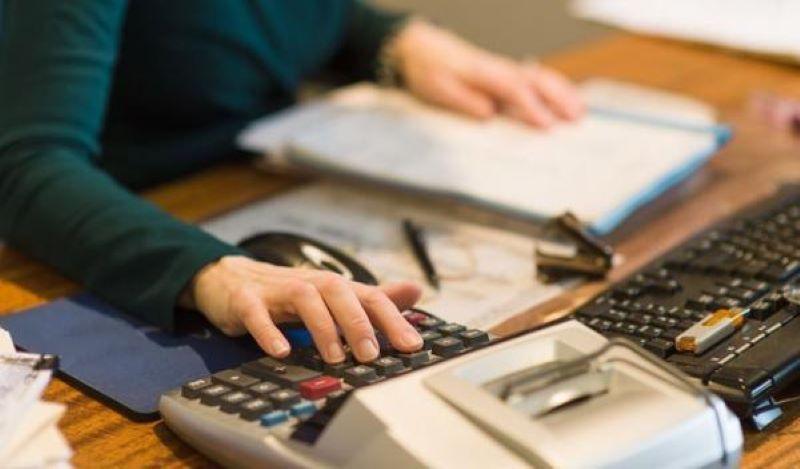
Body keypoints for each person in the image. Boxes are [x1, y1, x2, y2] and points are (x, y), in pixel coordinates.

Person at [0, 1, 583, 364]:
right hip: (113, 230)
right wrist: (212, 273)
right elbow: (26, 165)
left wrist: (396, 42)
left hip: (257, 181)